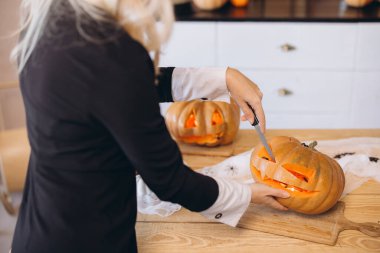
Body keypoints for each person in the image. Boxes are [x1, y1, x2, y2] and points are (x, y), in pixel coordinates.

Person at [10, 0, 290, 252]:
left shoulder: (51, 19)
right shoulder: (110, 54)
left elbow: (117, 90)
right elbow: (171, 182)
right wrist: (247, 194)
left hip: (38, 231)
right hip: (92, 240)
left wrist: (223, 78)